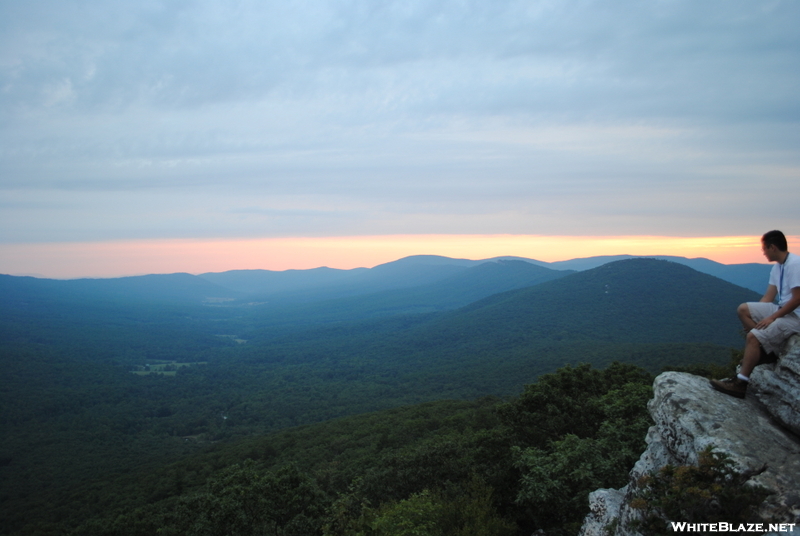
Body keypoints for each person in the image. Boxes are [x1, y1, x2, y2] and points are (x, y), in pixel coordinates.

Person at [711, 230, 800, 398]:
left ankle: (740, 383)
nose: (763, 252)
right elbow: (769, 296)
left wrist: (771, 318)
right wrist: (757, 319)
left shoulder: (795, 264)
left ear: (773, 247)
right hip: (783, 309)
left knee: (753, 337)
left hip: (796, 316)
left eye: (764, 248)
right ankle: (764, 349)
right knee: (743, 309)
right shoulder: (778, 267)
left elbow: (797, 299)